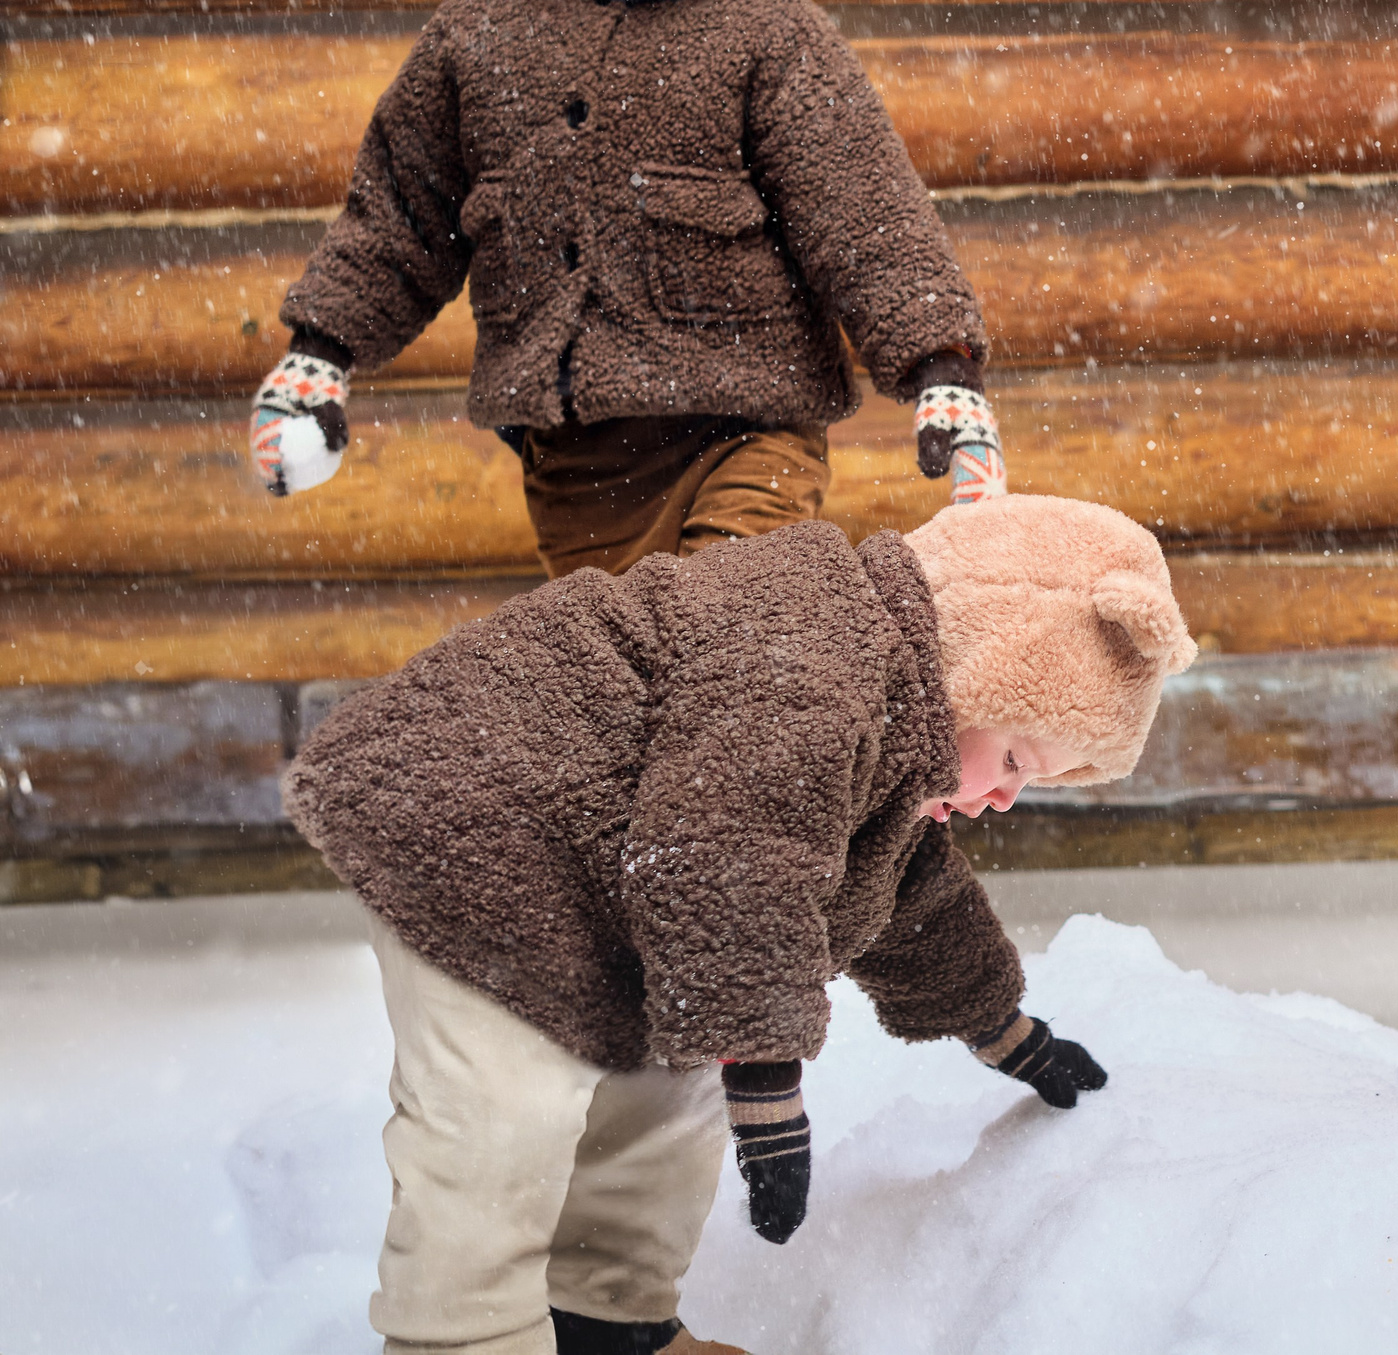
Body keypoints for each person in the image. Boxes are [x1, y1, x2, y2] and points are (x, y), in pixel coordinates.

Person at [284, 492, 1196, 1355]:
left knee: (668, 1089)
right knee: (502, 1111)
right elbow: (728, 850)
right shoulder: (810, 647)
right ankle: (461, 1337)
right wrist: (766, 1087)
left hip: (595, 867)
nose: (1004, 797)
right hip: (468, 818)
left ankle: (607, 1325)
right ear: (983, 657)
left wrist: (1010, 1034)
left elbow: (909, 897)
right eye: (1012, 757)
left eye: (1033, 782)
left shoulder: (890, 718)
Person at [248, 0, 1003, 576]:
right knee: (623, 684)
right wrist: (319, 356)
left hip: (746, 435)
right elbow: (400, 216)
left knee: (731, 637)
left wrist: (940, 370)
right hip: (577, 467)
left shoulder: (765, 29)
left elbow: (863, 212)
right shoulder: (481, 28)